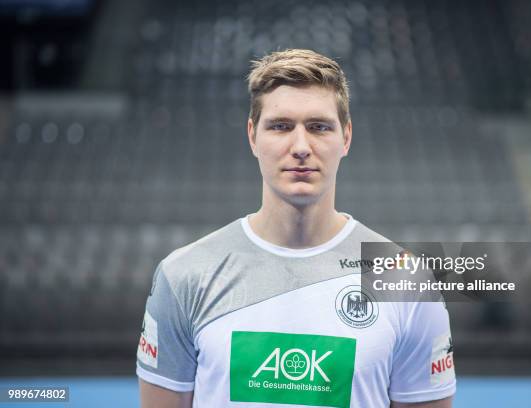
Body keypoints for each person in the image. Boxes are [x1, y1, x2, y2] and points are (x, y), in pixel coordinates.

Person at [136, 49, 455, 408]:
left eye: (319, 127)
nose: (301, 147)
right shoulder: (184, 274)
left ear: (346, 137)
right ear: (253, 136)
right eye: (281, 126)